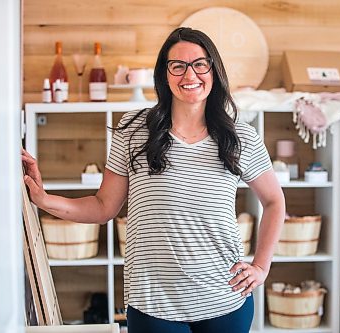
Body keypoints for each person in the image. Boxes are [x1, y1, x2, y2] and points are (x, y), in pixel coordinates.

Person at [22, 27, 285, 333]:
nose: (190, 75)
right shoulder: (133, 129)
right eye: (178, 66)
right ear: (164, 73)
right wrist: (43, 199)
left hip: (224, 298)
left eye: (200, 64)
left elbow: (274, 200)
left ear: (213, 70)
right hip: (153, 304)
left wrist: (261, 266)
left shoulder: (239, 136)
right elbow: (103, 206)